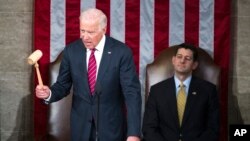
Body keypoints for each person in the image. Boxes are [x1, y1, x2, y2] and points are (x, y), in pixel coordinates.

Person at [36, 8, 141, 141]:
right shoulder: (71, 51)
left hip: (111, 128)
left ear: (103, 30)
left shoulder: (121, 52)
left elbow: (132, 93)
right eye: (82, 30)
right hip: (81, 128)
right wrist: (49, 93)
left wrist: (133, 133)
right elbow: (63, 85)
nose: (84, 37)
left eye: (90, 32)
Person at [142, 43, 220, 141]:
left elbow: (213, 129)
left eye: (187, 58)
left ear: (194, 65)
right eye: (179, 57)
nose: (182, 60)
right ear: (173, 60)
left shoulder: (208, 90)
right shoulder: (157, 91)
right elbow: (149, 128)